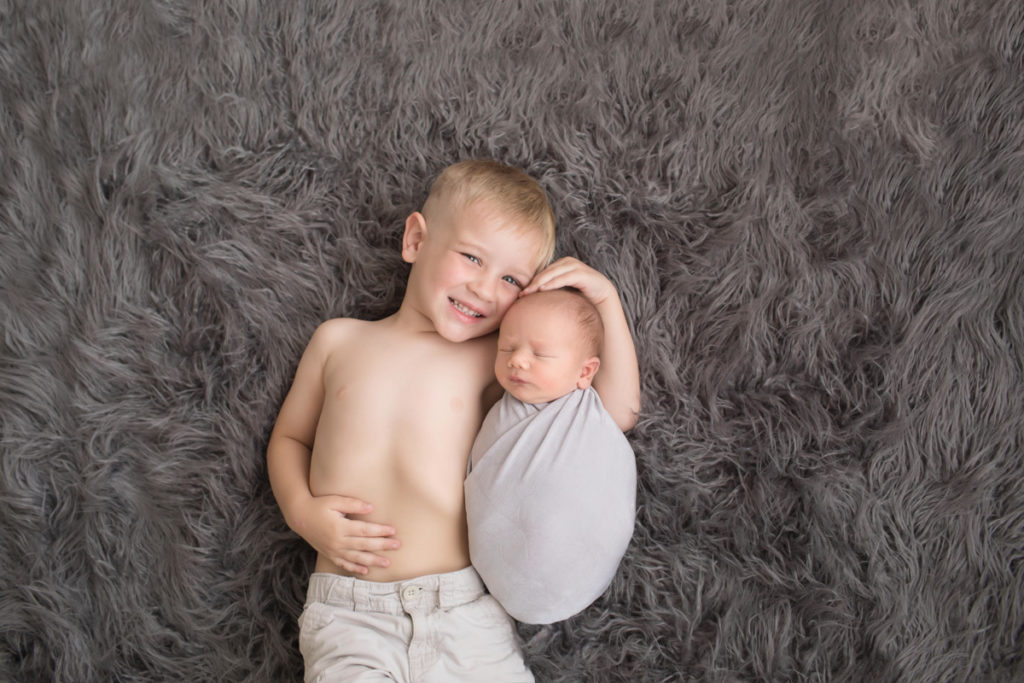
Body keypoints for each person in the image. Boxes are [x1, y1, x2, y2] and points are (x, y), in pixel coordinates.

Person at [267, 159, 641, 682]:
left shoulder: (500, 360)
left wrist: (606, 301)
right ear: (416, 240)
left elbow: (614, 411)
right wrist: (302, 512)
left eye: (511, 278)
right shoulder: (339, 340)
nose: (486, 290)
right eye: (471, 257)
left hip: (461, 611)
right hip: (352, 614)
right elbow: (289, 438)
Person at [465, 287, 637, 625]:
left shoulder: (592, 410)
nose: (517, 359)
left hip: (579, 557)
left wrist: (605, 298)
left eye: (540, 354)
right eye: (507, 347)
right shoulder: (495, 407)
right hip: (494, 572)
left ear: (585, 372)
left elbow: (630, 411)